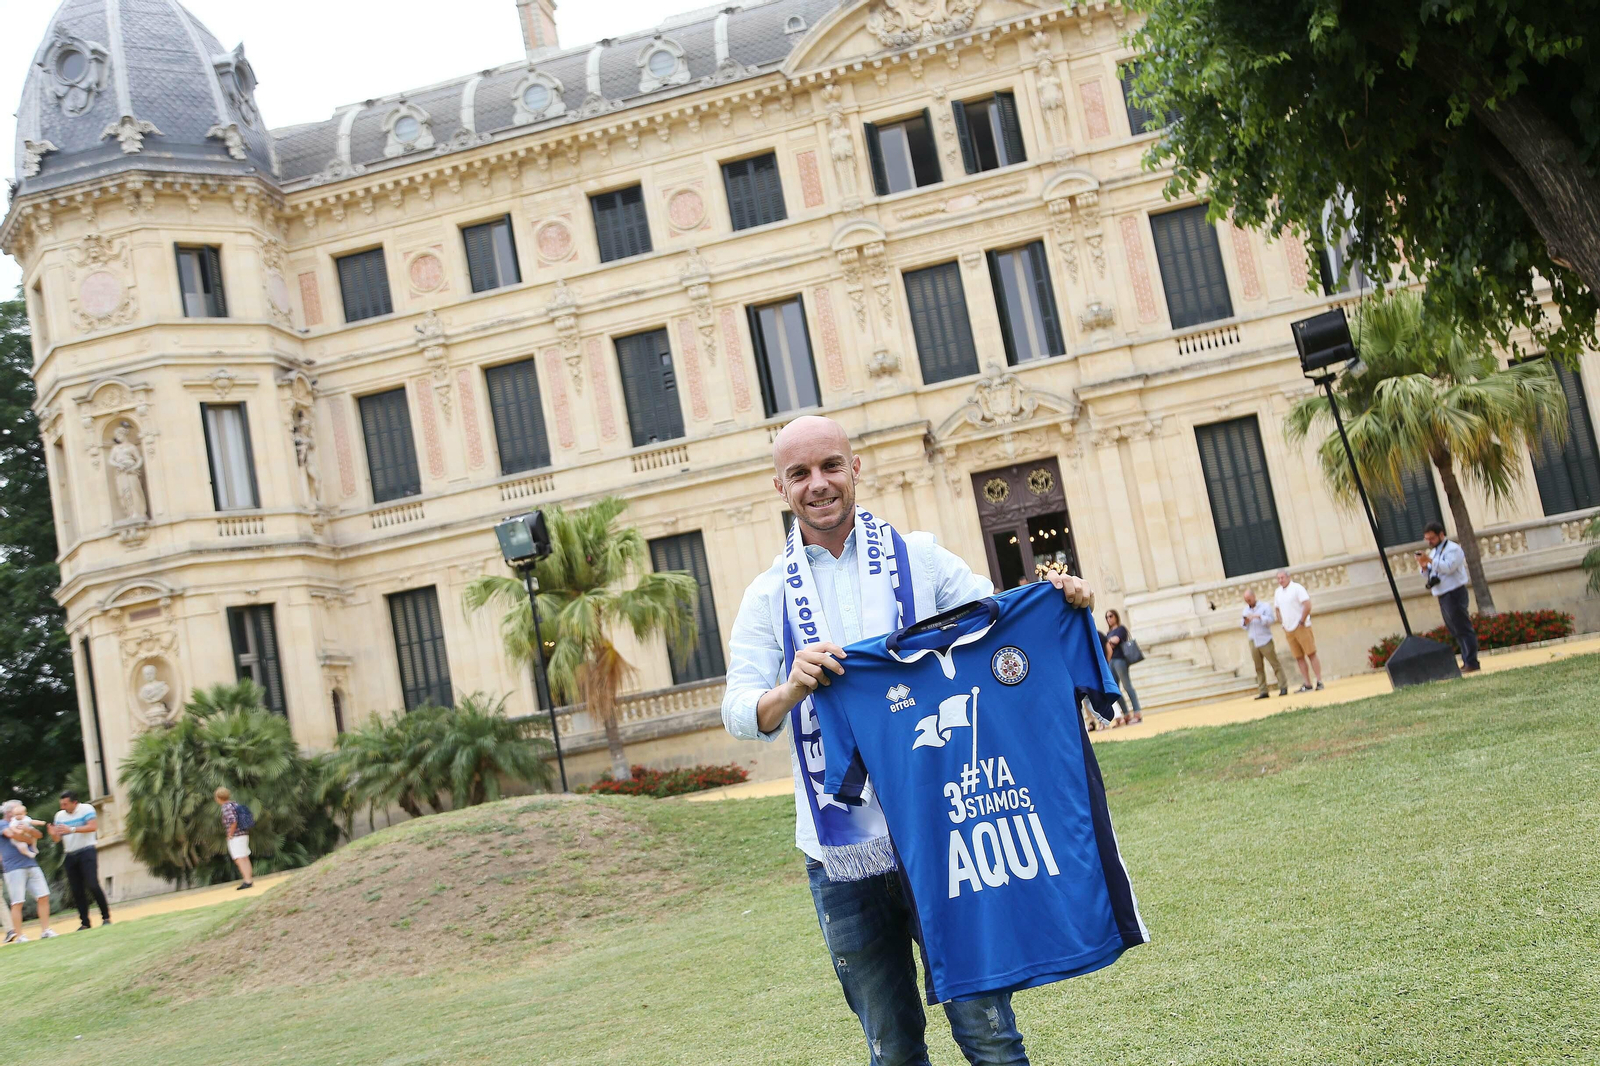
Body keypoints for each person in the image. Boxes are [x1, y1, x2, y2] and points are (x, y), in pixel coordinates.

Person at [721, 415, 1094, 1066]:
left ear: (856, 467)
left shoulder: (918, 558)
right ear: (779, 486)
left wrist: (1056, 598)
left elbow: (995, 620)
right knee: (891, 1048)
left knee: (988, 1030)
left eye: (831, 466)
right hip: (841, 856)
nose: (819, 485)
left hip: (944, 832)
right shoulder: (766, 596)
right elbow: (737, 708)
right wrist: (788, 689)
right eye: (801, 474)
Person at [1418, 521, 1481, 673]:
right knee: (1455, 629)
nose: (1429, 542)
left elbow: (1449, 567)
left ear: (1441, 535)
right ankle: (1466, 660)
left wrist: (1431, 560)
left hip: (1455, 592)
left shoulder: (1453, 549)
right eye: (1427, 539)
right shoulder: (1433, 552)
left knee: (1463, 627)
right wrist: (1424, 566)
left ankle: (1472, 661)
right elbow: (1430, 573)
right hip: (1442, 594)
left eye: (1432, 538)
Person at [50, 791, 111, 930]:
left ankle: (106, 916)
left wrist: (71, 829)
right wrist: (54, 834)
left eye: (65, 804)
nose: (63, 807)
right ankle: (85, 922)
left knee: (93, 884)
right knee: (76, 890)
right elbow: (58, 839)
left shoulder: (86, 809)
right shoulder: (59, 816)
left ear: (74, 803)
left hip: (86, 851)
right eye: (61, 804)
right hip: (70, 854)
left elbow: (93, 827)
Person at [1, 799, 55, 943]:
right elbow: (13, 835)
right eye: (16, 809)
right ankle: (20, 936)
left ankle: (45, 930)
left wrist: (28, 831)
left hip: (31, 864)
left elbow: (38, 835)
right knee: (17, 902)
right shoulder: (2, 824)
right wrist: (28, 836)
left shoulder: (24, 821)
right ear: (8, 812)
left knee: (43, 895)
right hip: (13, 867)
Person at [1273, 570, 1323, 692]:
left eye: (1282, 577)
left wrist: (1302, 620)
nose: (1280, 580)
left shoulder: (1297, 588)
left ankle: (1319, 680)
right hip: (1289, 629)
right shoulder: (1278, 592)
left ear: (1288, 577)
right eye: (1278, 578)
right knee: (1298, 657)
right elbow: (1277, 609)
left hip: (1301, 626)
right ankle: (1307, 683)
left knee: (1311, 653)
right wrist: (1282, 623)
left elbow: (1307, 604)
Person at [1240, 590, 1290, 699]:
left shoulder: (1265, 606)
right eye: (1246, 600)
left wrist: (1259, 617)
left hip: (1265, 639)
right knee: (1258, 667)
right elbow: (1243, 626)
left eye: (1249, 599)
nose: (1248, 601)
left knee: (1274, 664)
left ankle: (1283, 686)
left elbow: (1271, 620)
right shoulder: (1245, 610)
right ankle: (1263, 690)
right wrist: (1246, 621)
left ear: (1254, 596)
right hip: (1253, 640)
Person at [1103, 609, 1142, 725]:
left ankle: (1137, 712)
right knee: (1115, 690)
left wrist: (1109, 642)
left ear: (1116, 616)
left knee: (1127, 685)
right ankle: (1126, 714)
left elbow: (1116, 640)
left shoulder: (1121, 629)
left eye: (1111, 616)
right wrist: (1109, 642)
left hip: (1120, 660)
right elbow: (1108, 644)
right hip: (1111, 661)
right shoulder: (1109, 632)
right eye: (1107, 617)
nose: (1109, 619)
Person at [215, 788, 253, 889]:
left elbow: (233, 821)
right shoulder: (234, 804)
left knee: (239, 858)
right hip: (243, 833)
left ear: (219, 798)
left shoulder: (226, 807)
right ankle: (248, 878)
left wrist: (230, 834)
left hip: (236, 836)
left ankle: (247, 880)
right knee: (244, 857)